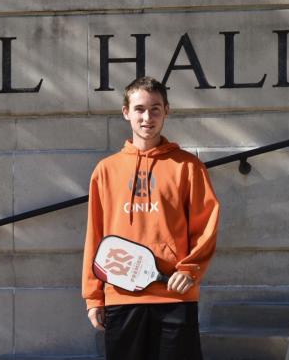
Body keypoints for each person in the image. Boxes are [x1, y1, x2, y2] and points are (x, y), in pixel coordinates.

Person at [82, 76, 220, 360]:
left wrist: (189, 269)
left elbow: (206, 224)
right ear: (126, 112)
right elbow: (95, 235)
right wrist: (94, 296)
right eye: (140, 109)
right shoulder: (106, 170)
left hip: (173, 294)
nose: (148, 117)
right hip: (122, 296)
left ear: (166, 111)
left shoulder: (187, 167)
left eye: (156, 109)